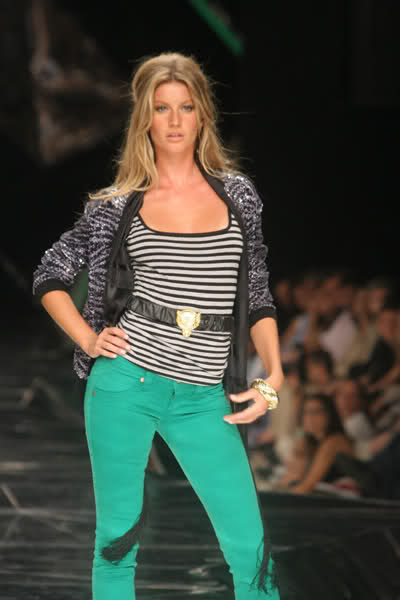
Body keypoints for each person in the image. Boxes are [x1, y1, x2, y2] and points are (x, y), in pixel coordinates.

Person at [32, 52, 284, 600]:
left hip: (204, 396)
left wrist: (274, 376)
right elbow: (51, 273)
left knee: (251, 550)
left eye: (186, 107)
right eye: (161, 108)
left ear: (203, 115)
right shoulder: (117, 206)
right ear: (144, 117)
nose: (174, 120)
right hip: (127, 384)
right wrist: (88, 338)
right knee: (116, 544)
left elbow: (257, 291)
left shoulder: (238, 195)